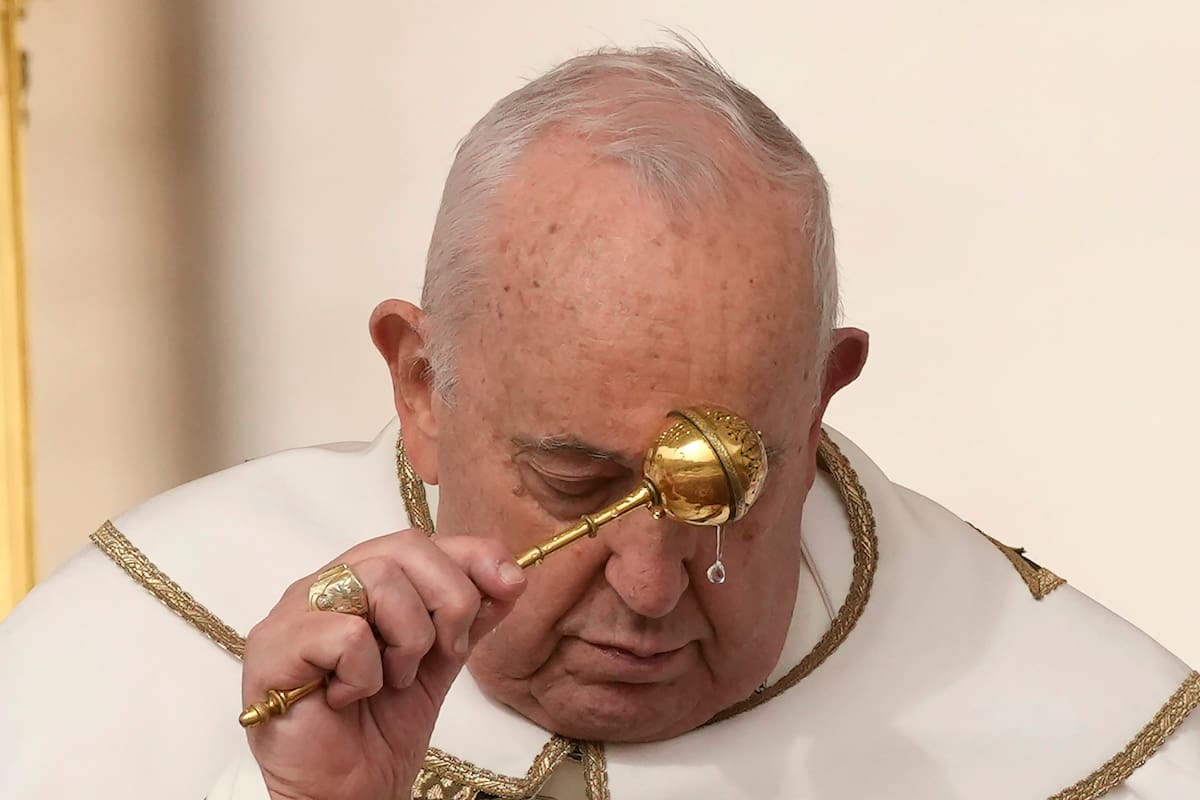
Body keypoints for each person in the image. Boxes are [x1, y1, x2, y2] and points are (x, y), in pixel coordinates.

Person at [2, 42, 1197, 800]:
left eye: (722, 483)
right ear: (420, 384)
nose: (650, 582)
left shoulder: (1086, 737)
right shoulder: (120, 655)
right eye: (579, 479)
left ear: (823, 393)